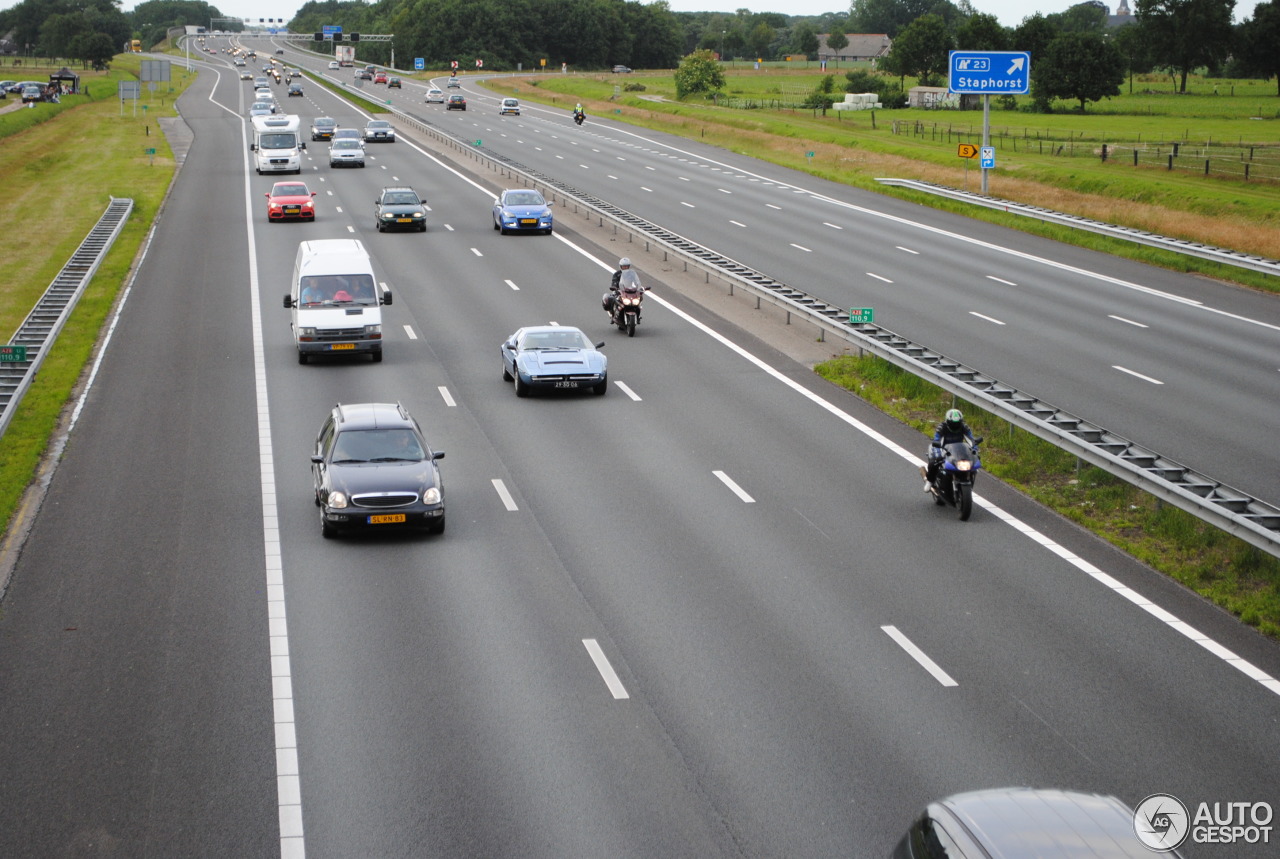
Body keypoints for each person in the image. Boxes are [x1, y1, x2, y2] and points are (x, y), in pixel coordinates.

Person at [923, 408, 975, 490]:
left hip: (959, 450)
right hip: (944, 450)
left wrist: (974, 450)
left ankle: (967, 480)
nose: (955, 425)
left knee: (972, 466)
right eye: (953, 423)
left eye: (957, 423)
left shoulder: (964, 427)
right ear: (947, 421)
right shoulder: (941, 427)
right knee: (934, 462)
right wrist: (938, 454)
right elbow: (937, 440)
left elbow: (971, 439)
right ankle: (930, 481)